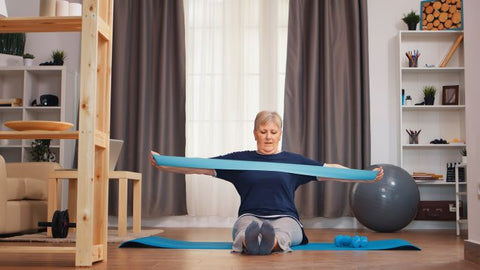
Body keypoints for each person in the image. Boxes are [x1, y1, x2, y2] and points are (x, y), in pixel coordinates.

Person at [150, 110, 383, 255]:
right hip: (250, 216)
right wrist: (164, 163)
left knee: (283, 232)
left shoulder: (294, 162)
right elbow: (197, 166)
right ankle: (250, 239)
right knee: (244, 227)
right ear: (255, 133)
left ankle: (266, 242)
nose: (268, 136)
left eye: (273, 131)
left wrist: (364, 175)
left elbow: (329, 170)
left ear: (280, 133)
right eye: (263, 131)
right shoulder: (239, 160)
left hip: (285, 218)